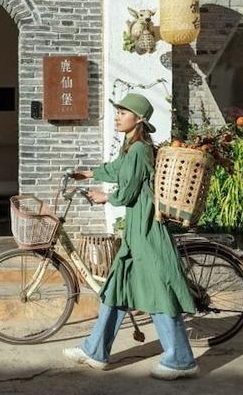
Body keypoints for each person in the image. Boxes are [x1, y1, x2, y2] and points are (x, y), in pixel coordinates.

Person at [62, 92, 199, 380]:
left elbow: (128, 192)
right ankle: (95, 351)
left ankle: (181, 360)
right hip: (135, 231)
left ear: (139, 119)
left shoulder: (139, 150)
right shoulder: (130, 147)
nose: (117, 116)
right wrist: (88, 174)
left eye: (123, 113)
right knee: (117, 289)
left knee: (160, 292)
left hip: (148, 231)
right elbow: (117, 171)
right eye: (118, 111)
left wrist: (104, 198)